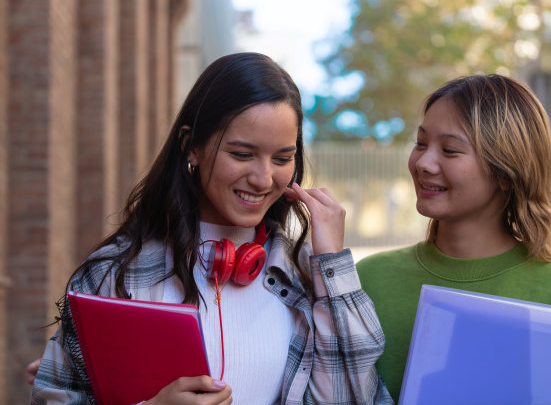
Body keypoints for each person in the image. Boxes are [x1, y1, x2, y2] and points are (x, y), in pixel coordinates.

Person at [31, 52, 392, 404]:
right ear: (191, 147)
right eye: (242, 154)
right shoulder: (115, 272)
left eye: (283, 158)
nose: (264, 178)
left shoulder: (307, 277)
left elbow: (353, 396)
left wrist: (332, 265)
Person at [357, 74, 551, 404]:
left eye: (449, 150)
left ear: (506, 173)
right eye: (420, 143)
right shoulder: (369, 279)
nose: (423, 162)